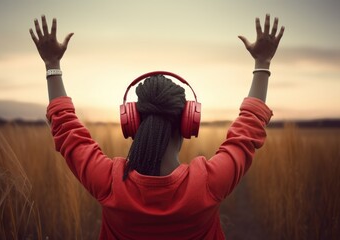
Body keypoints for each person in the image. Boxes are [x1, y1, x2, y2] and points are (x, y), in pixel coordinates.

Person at [30, 14, 284, 240]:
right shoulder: (208, 183)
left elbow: (66, 130)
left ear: (132, 122)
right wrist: (262, 62)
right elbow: (247, 131)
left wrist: (52, 64)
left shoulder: (110, 183)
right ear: (188, 121)